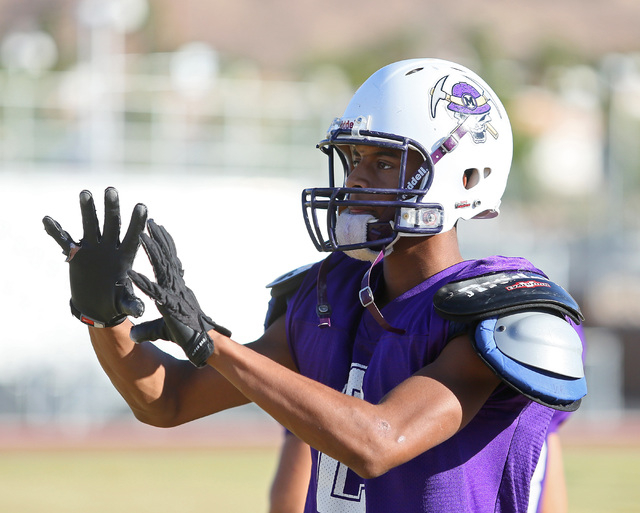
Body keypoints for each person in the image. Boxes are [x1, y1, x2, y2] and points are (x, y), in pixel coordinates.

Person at [43, 58, 587, 512]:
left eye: (384, 162)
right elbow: (168, 401)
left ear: (466, 178)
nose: (355, 179)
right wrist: (104, 319)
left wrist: (214, 344)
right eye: (353, 158)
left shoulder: (501, 314)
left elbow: (378, 442)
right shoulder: (331, 295)